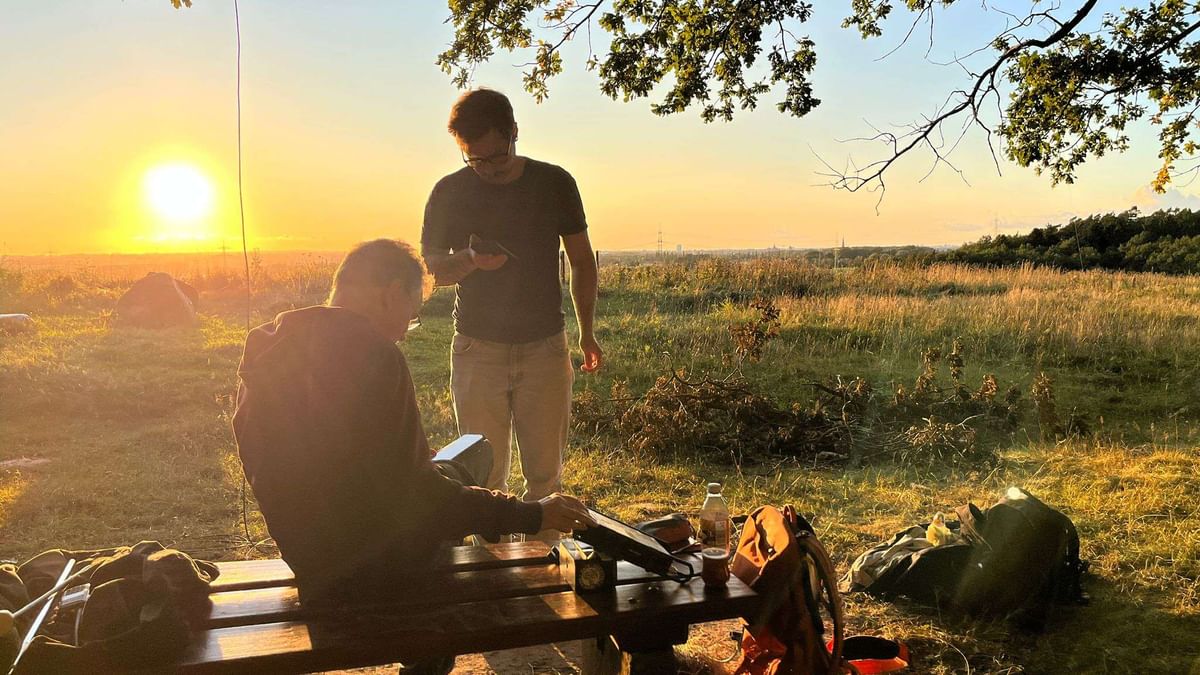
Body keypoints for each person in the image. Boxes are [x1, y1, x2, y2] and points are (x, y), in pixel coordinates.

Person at [231, 239, 595, 609]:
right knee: (473, 456)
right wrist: (531, 513)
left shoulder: (267, 355)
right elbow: (421, 500)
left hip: (310, 562)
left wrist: (412, 460)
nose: (406, 332)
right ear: (391, 294)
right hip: (380, 571)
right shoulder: (375, 355)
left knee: (450, 463)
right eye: (411, 314)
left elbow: (326, 461)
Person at [422, 88, 603, 522]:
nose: (487, 169)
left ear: (514, 133)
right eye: (475, 160)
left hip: (546, 347)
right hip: (477, 349)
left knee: (545, 479)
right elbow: (431, 271)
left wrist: (587, 333)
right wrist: (470, 260)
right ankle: (496, 564)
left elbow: (582, 261)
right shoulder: (448, 192)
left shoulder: (554, 183)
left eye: (496, 157)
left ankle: (542, 560)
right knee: (484, 482)